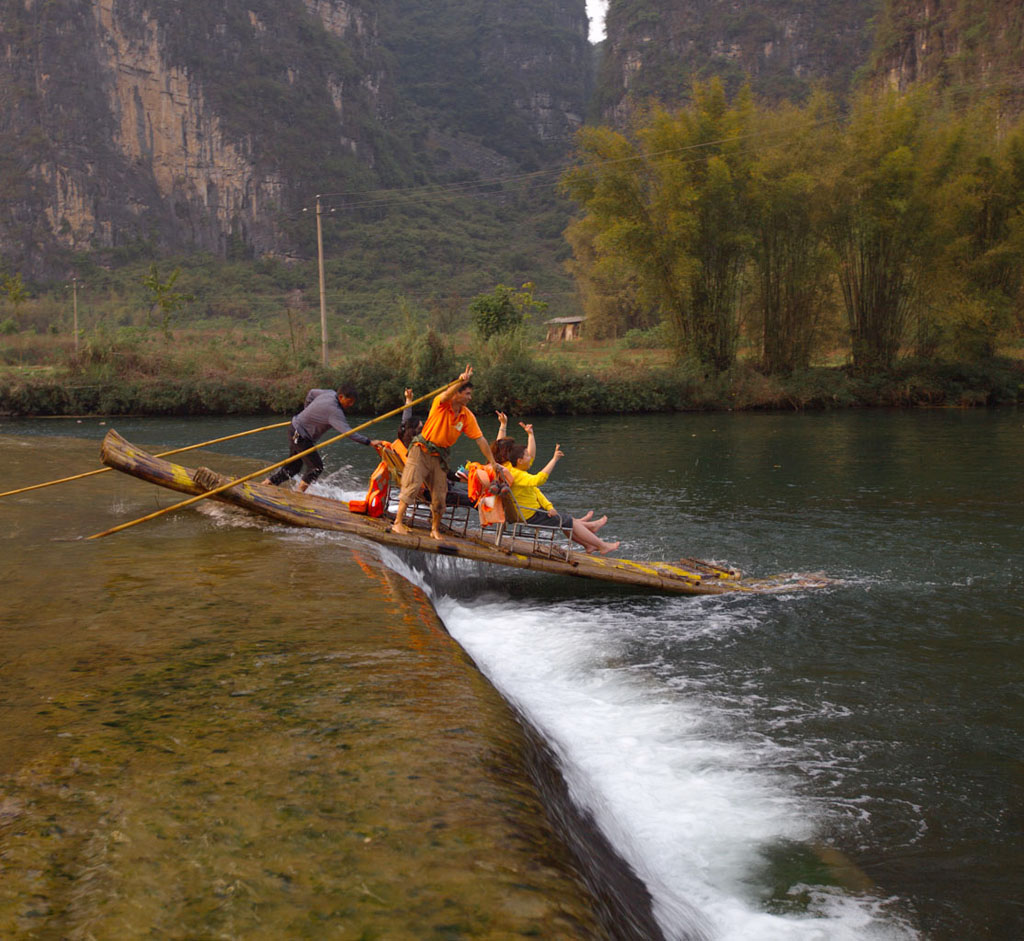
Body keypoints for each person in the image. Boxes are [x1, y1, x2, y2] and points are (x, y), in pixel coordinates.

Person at [392, 365, 498, 540]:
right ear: (457, 393)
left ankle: (435, 529)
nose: (470, 398)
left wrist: (492, 462)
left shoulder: (466, 416)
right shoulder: (441, 404)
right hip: (421, 451)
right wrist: (460, 381)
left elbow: (480, 439)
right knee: (411, 485)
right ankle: (397, 522)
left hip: (439, 456)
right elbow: (447, 394)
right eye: (467, 393)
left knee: (440, 495)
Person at [494, 437, 619, 555]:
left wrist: (549, 507)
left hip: (529, 511)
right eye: (526, 455)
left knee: (566, 521)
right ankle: (602, 545)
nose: (530, 457)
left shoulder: (509, 468)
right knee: (569, 522)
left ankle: (589, 544)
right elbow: (539, 479)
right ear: (519, 461)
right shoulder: (517, 474)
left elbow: (536, 491)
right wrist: (554, 460)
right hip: (530, 514)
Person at [264, 385, 385, 492]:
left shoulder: (329, 393)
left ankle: (267, 484)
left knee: (293, 468)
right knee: (316, 467)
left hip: (295, 429)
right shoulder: (334, 412)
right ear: (341, 397)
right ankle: (299, 494)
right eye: (350, 401)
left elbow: (311, 393)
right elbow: (349, 433)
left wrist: (307, 411)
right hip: (300, 435)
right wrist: (369, 442)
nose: (351, 404)